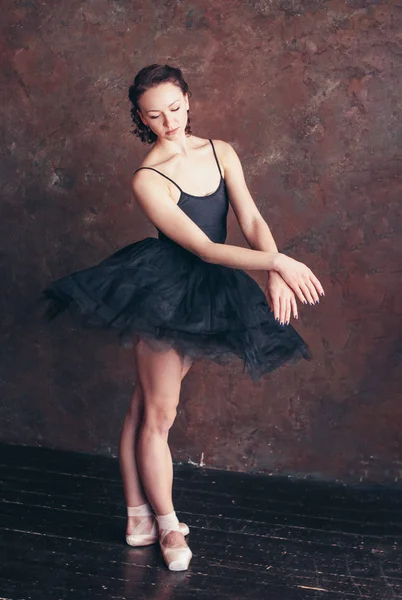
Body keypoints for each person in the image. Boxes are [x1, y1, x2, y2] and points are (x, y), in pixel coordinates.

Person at [43, 64, 324, 571]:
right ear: (140, 118)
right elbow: (203, 246)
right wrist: (277, 263)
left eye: (174, 108)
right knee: (159, 415)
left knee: (145, 409)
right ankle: (167, 526)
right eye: (154, 115)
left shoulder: (222, 152)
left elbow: (252, 219)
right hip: (163, 290)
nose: (168, 121)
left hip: (207, 293)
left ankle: (136, 516)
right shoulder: (147, 178)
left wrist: (275, 270)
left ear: (188, 100)